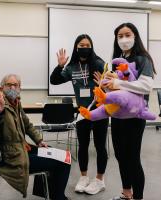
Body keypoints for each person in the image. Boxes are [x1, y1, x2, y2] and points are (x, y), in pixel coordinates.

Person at [0, 74, 71, 200]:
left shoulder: (16, 102)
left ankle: (47, 194)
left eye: (15, 85)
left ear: (19, 88)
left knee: (55, 152)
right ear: (1, 88)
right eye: (8, 84)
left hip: (21, 149)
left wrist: (39, 140)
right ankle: (58, 198)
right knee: (63, 163)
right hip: (11, 158)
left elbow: (27, 124)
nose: (12, 87)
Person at [97, 23, 156, 200]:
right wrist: (105, 84)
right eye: (120, 36)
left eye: (127, 34)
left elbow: (146, 86)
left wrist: (118, 83)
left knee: (132, 158)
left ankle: (138, 197)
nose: (124, 39)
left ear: (135, 36)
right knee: (120, 156)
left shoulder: (143, 58)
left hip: (135, 116)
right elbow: (117, 91)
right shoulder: (117, 59)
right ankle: (126, 194)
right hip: (117, 115)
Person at [50, 34, 109, 195]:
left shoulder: (98, 63)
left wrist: (103, 85)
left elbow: (110, 84)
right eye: (81, 45)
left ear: (91, 46)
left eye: (87, 45)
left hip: (100, 112)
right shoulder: (71, 67)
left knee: (99, 146)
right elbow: (54, 80)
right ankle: (83, 177)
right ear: (76, 48)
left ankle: (99, 180)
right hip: (83, 113)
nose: (84, 47)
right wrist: (59, 66)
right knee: (82, 146)